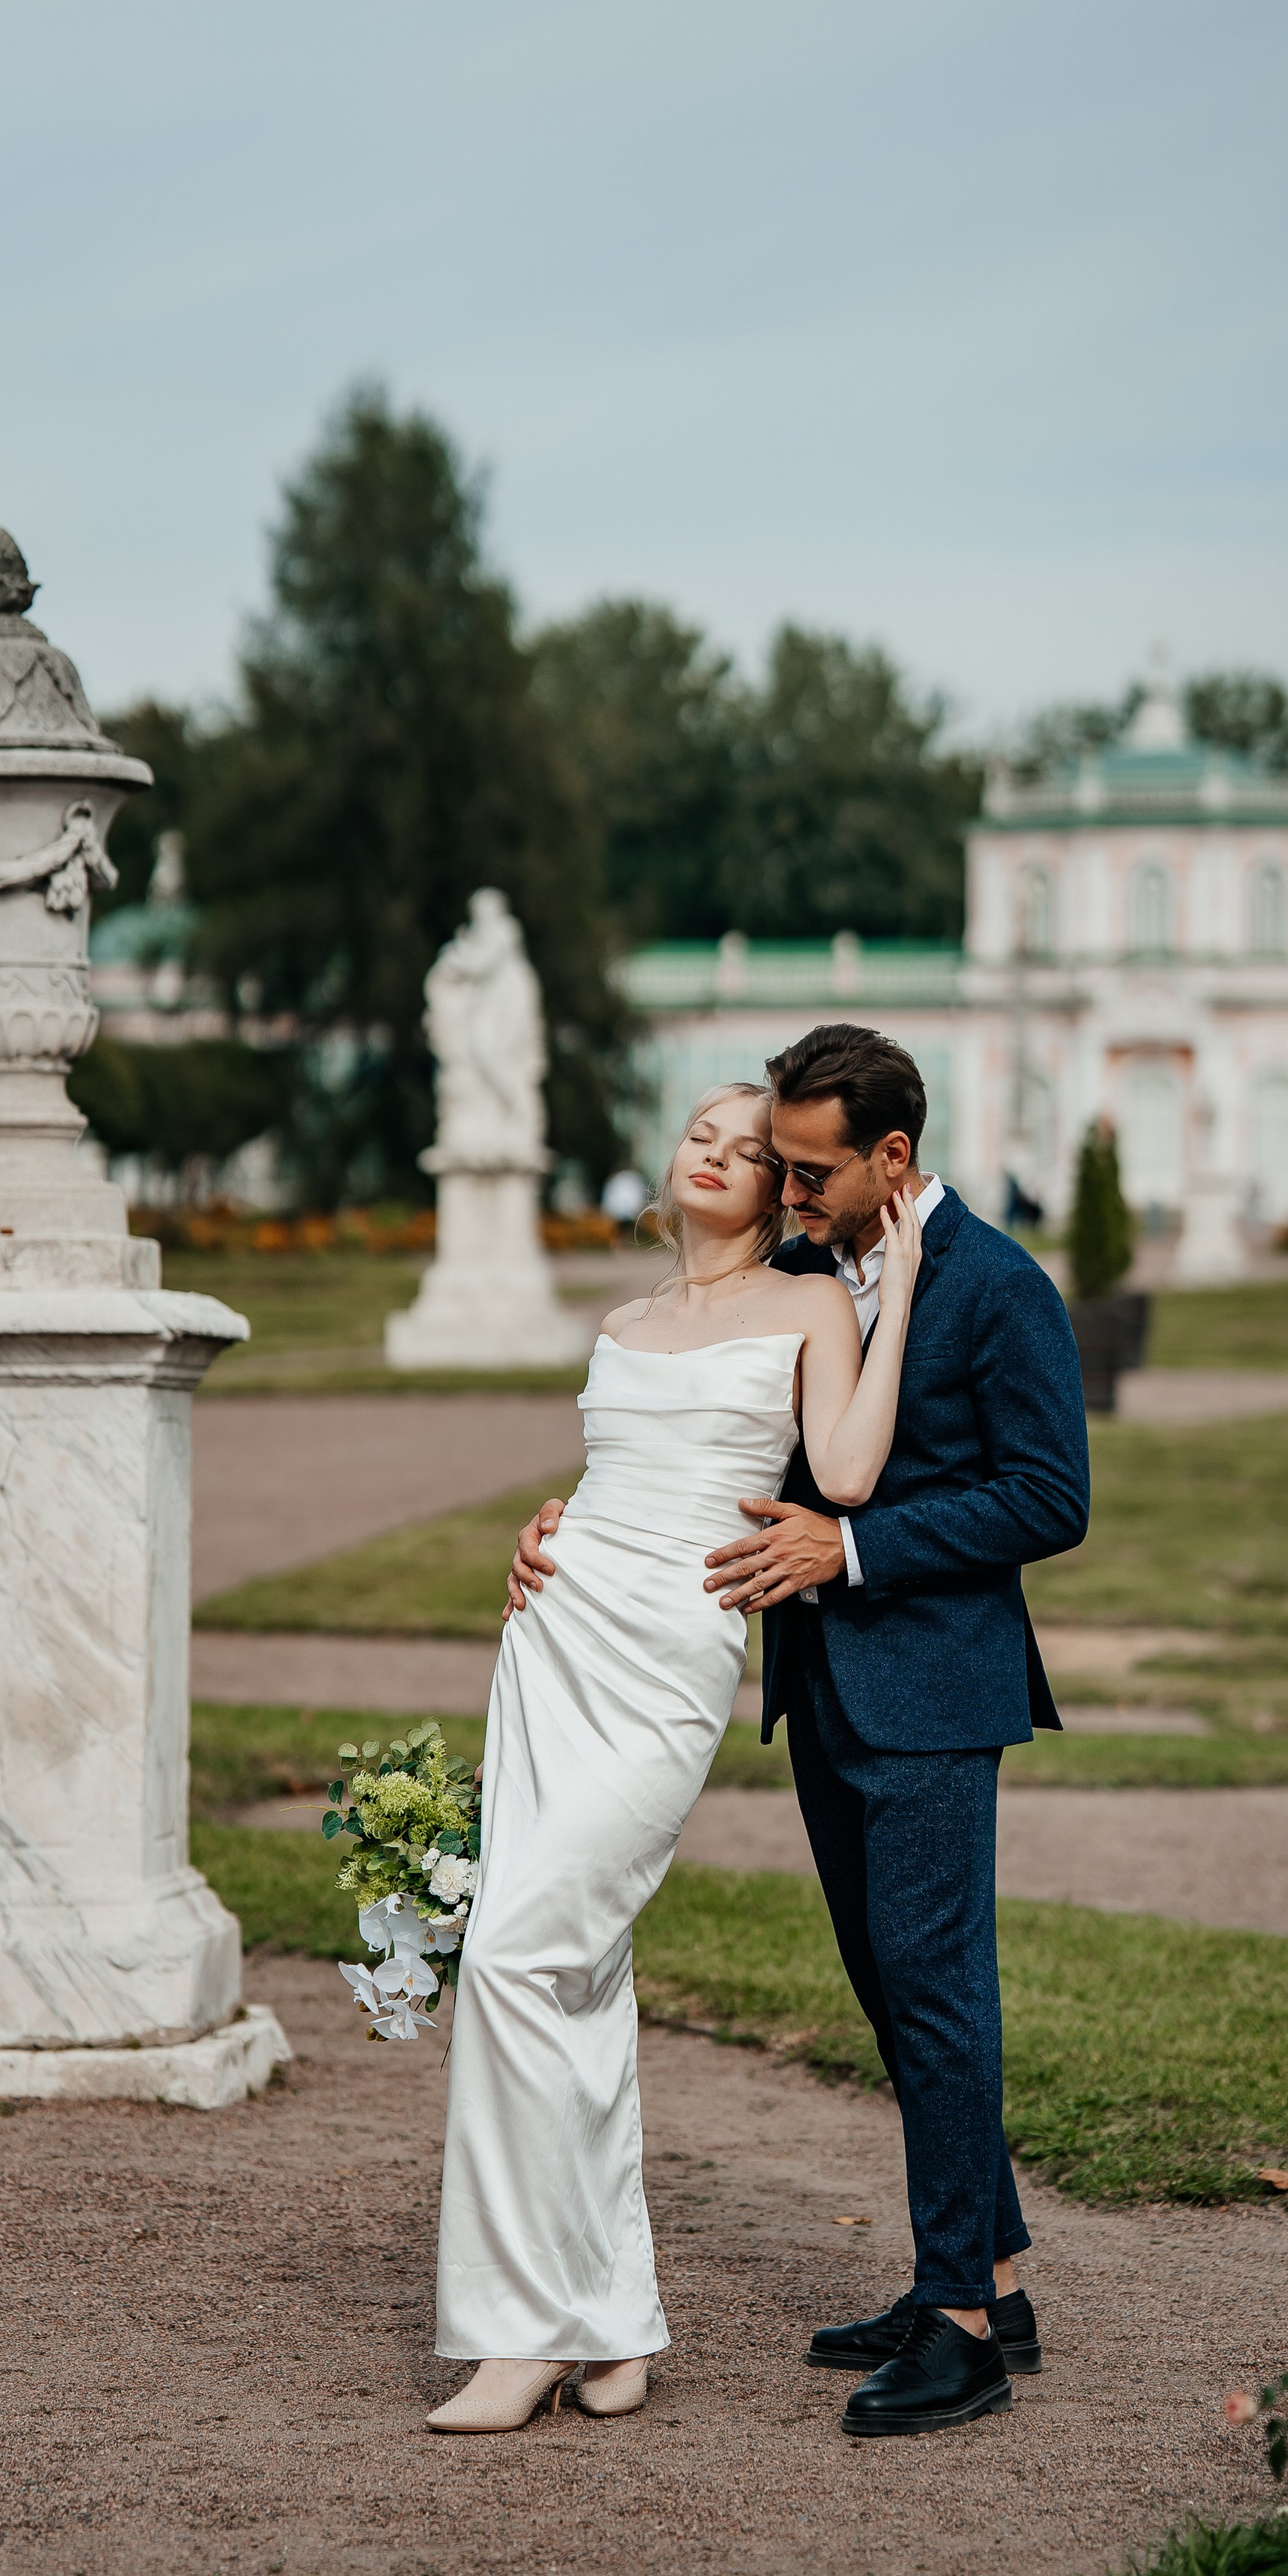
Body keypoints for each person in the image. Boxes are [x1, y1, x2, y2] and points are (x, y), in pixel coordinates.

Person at [516, 1025, 1089, 2438]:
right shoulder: (799, 1278)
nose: (786, 1188)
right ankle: (988, 2275)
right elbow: (696, 1432)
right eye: (778, 1158)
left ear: (893, 1158)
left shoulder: (1001, 1289)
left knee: (940, 1993)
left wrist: (859, 1550)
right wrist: (564, 1526)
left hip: (936, 1691)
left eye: (812, 1168)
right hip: (818, 1686)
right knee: (895, 1994)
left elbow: (1048, 1498)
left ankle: (960, 2330)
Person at [428, 1081, 921, 2433]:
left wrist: (910, 1279)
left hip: (670, 1657)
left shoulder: (814, 1302)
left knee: (517, 1953)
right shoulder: (624, 1322)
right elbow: (605, 1477)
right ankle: (606, 2328)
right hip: (555, 1638)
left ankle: (525, 2330)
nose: (717, 1154)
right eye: (701, 1135)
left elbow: (855, 1472)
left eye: (751, 1150)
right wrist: (541, 1530)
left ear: (783, 1190)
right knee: (568, 1974)